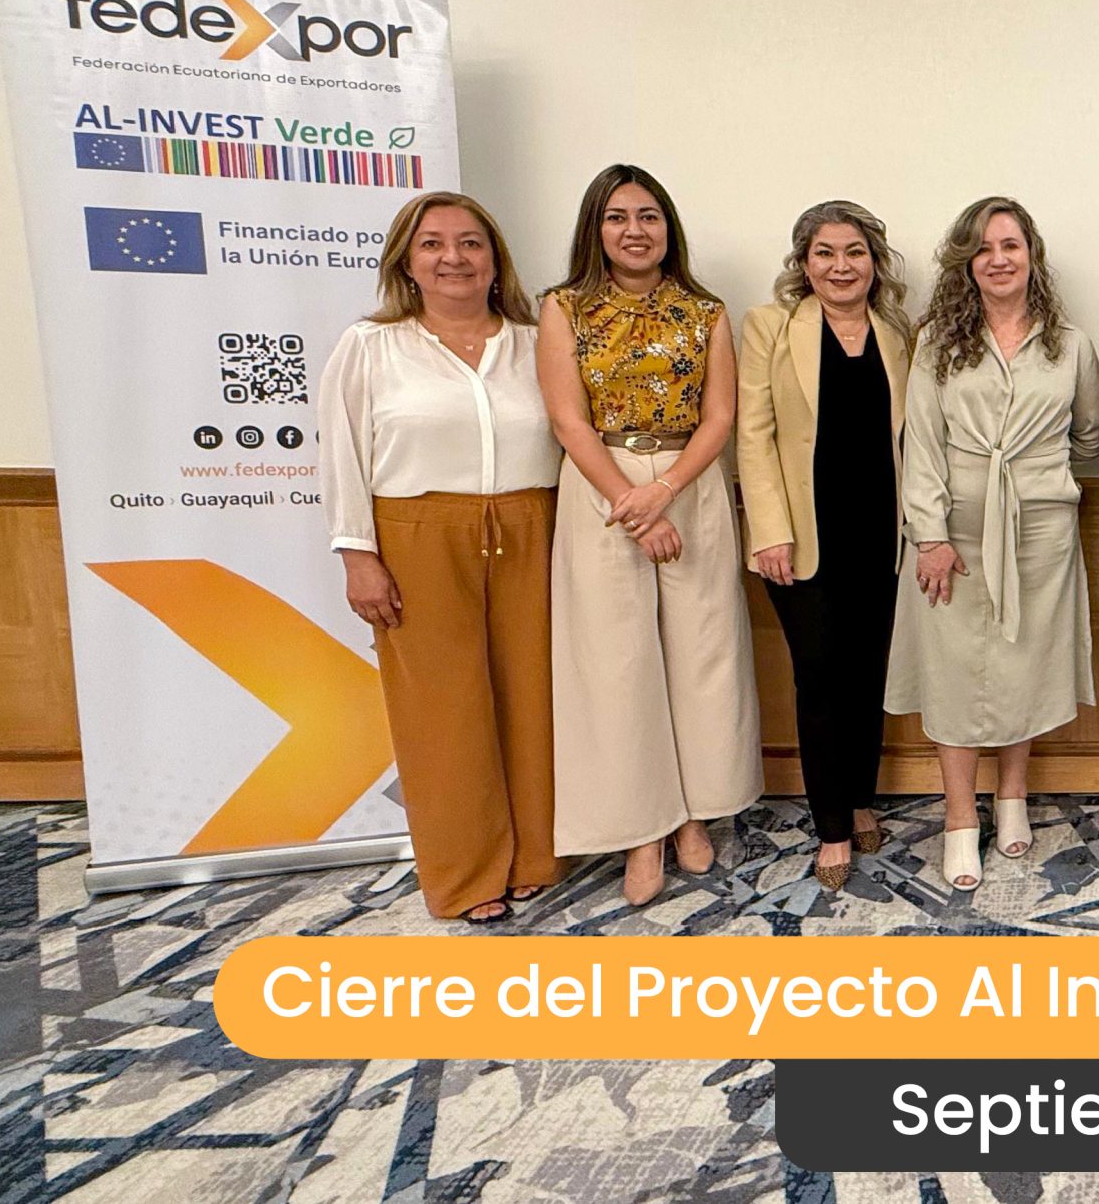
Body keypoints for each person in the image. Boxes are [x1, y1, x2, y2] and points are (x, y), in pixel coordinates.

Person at [318, 191, 564, 925]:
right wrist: (357, 554)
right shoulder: (371, 346)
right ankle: (465, 873)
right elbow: (342, 452)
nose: (453, 257)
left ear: (495, 259)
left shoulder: (536, 343)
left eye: (470, 242)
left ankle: (536, 855)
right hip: (419, 534)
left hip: (533, 527)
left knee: (535, 698)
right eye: (432, 244)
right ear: (406, 261)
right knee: (443, 711)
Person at [538, 164, 762, 906]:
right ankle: (643, 827)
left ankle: (696, 810)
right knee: (617, 663)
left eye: (648, 216)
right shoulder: (564, 308)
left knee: (702, 654)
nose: (634, 231)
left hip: (688, 484)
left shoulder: (705, 311)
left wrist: (664, 491)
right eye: (617, 217)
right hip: (601, 485)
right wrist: (630, 502)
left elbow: (720, 416)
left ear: (668, 228)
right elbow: (567, 419)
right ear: (595, 229)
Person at [885, 196, 1099, 893]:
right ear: (966, 263)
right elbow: (921, 445)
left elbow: (1092, 434)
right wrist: (929, 535)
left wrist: (1040, 477)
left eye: (1010, 245)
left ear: (1031, 255)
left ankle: (1012, 795)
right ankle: (959, 818)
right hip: (953, 533)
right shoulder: (937, 343)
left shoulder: (1069, 345)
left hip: (1041, 534)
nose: (998, 258)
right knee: (952, 672)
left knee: (1024, 664)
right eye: (983, 248)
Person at [738, 200, 914, 893]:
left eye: (854, 252)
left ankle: (862, 797)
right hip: (801, 538)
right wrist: (769, 530)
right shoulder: (771, 327)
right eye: (825, 253)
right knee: (819, 679)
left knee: (869, 674)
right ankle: (832, 827)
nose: (841, 266)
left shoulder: (898, 333)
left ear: (874, 262)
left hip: (881, 534)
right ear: (803, 263)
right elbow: (753, 434)